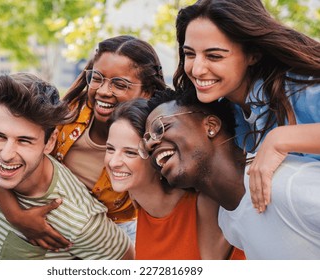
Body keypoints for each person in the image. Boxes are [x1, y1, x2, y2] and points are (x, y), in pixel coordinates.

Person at [0, 35, 167, 256]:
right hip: (27, 196)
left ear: (147, 92)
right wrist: (13, 216)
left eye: (120, 84)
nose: (104, 90)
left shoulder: (153, 143)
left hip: (97, 229)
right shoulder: (68, 116)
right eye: (97, 78)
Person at [0, 73, 134, 260]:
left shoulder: (77, 220)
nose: (7, 155)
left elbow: (126, 263)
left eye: (24, 141)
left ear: (50, 143)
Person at [173, 0, 320, 213]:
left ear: (253, 54)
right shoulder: (224, 115)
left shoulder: (302, 87)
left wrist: (280, 139)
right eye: (190, 54)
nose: (197, 69)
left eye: (214, 56)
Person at [140, 88, 320, 259]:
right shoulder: (227, 221)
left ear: (211, 126)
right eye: (145, 142)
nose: (150, 145)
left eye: (160, 128)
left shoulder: (286, 184)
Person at [105, 96, 245, 260]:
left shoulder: (209, 204)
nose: (114, 162)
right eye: (110, 149)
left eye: (130, 152)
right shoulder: (140, 206)